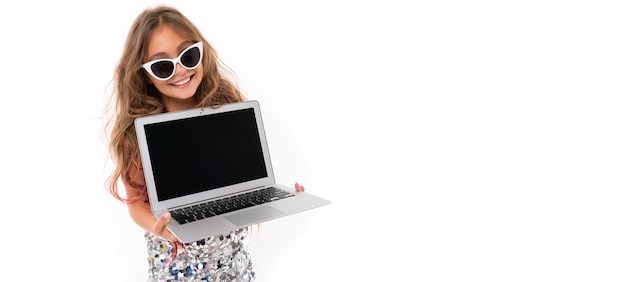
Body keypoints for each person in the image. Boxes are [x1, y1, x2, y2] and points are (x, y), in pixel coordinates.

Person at [105, 5, 304, 281]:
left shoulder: (225, 109)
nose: (180, 71)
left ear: (201, 52)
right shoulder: (136, 134)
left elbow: (245, 177)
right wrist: (157, 226)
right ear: (145, 74)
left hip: (234, 265)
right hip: (175, 269)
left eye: (189, 55)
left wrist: (273, 193)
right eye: (163, 66)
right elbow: (135, 205)